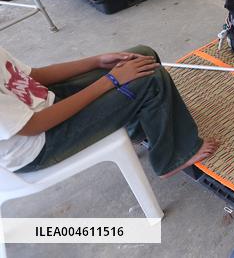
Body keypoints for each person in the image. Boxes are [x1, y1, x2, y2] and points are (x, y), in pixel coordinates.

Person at [0, 43, 218, 178]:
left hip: (47, 103)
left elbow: (32, 75)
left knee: (142, 55)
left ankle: (139, 129)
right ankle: (171, 159)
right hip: (39, 146)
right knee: (151, 79)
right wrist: (110, 80)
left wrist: (96, 62)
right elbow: (33, 126)